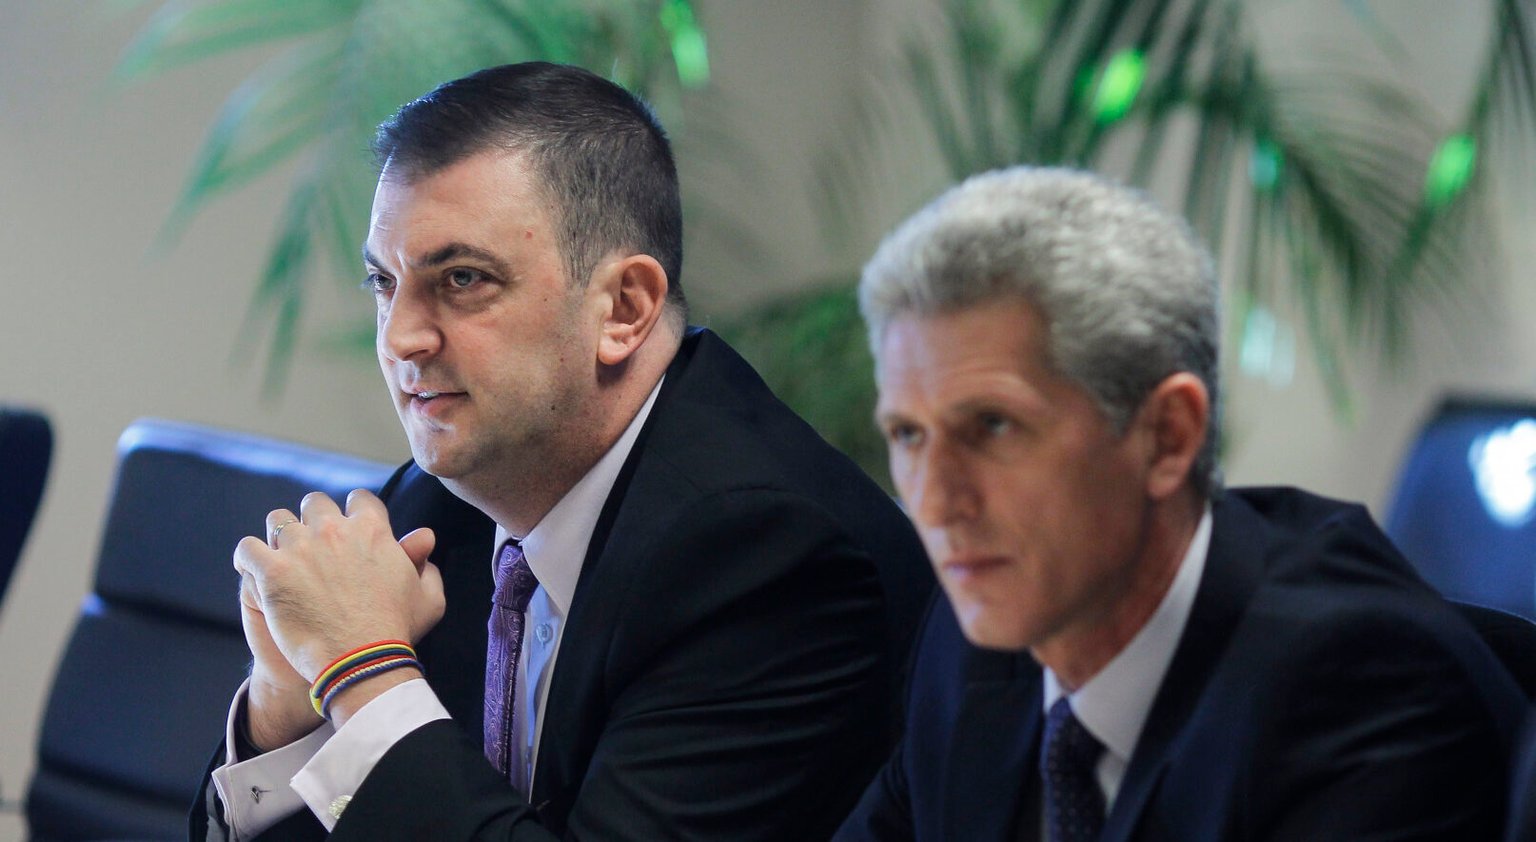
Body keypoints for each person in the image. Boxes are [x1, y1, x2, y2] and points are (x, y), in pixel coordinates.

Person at [191, 61, 933, 841]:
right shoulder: (436, 506)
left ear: (624, 308)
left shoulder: (766, 558)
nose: (400, 337)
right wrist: (286, 710)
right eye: (383, 283)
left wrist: (362, 672)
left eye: (463, 279)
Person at [833, 166, 1529, 841]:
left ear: (1168, 436)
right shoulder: (973, 640)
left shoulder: (1361, 686)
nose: (936, 502)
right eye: (908, 434)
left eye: (993, 426)